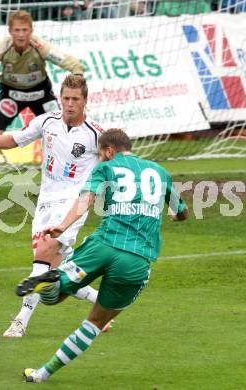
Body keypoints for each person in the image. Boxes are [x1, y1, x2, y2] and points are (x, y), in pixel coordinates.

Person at [14, 128, 189, 383]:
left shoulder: (106, 167)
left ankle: (51, 281)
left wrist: (63, 225)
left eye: (100, 154)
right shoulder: (160, 172)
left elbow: (86, 198)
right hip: (137, 260)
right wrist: (176, 215)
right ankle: (42, 374)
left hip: (103, 246)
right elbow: (182, 211)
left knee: (56, 296)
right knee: (95, 323)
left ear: (109, 151)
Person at [0, 74, 111, 337]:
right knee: (54, 268)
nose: (69, 104)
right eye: (66, 98)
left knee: (42, 258)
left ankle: (21, 321)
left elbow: (113, 163)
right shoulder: (47, 122)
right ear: (60, 97)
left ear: (85, 100)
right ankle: (100, 302)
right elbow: (16, 138)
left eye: (75, 99)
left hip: (73, 203)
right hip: (46, 199)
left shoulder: (95, 134)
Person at [0, 10, 85, 196]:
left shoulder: (40, 46)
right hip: (11, 97)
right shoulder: (2, 48)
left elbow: (75, 65)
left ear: (31, 31)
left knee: (62, 135)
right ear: (10, 31)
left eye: (25, 30)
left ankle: (64, 185)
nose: (21, 34)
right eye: (17, 30)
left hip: (41, 95)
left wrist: (77, 88)